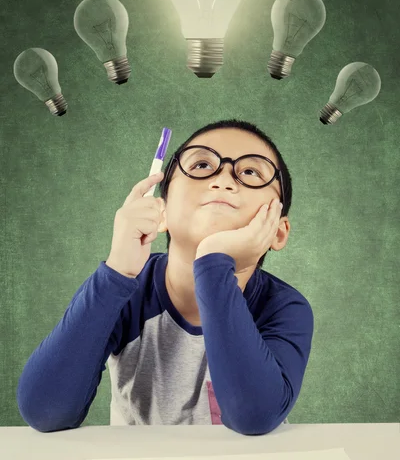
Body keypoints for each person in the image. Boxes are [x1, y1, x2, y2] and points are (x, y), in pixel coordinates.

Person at [17, 118, 314, 435]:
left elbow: (253, 416)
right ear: (162, 212)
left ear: (278, 232)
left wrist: (214, 262)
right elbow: (45, 412)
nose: (224, 180)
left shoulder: (285, 308)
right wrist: (117, 269)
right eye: (202, 165)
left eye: (251, 172)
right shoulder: (124, 288)